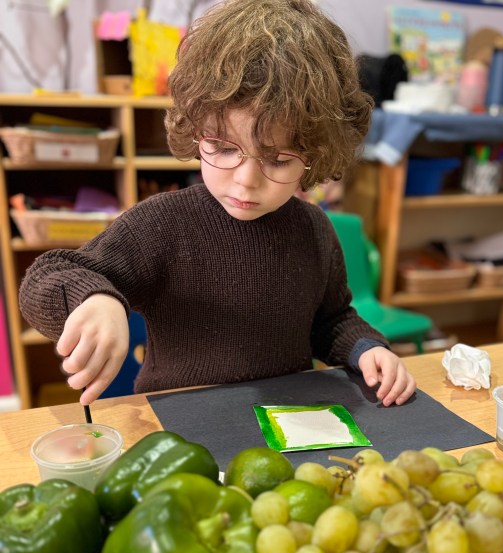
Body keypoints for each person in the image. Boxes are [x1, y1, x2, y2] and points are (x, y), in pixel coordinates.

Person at [19, 0, 416, 407]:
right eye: (222, 149)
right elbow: (49, 275)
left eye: (278, 160)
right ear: (195, 131)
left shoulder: (314, 229)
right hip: (180, 424)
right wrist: (95, 299)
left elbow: (331, 320)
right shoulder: (162, 225)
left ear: (316, 152)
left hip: (287, 419)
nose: (246, 180)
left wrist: (366, 348)